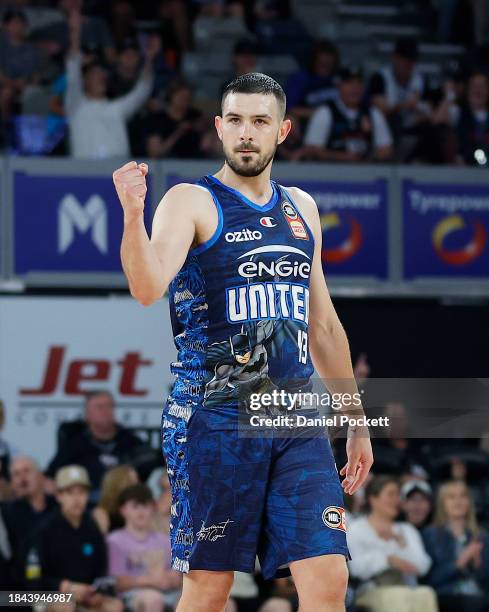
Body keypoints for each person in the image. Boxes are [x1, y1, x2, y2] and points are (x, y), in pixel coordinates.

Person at [113, 71, 373, 611]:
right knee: (210, 589)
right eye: (235, 121)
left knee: (328, 579)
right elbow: (145, 287)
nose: (246, 133)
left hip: (293, 416)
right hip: (215, 418)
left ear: (283, 131)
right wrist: (134, 216)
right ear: (218, 128)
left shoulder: (301, 207)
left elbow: (322, 326)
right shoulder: (190, 200)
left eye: (260, 121)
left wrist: (356, 422)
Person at [64, 5, 157, 158]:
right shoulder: (76, 105)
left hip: (117, 177)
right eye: (95, 74)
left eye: (103, 74)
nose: (101, 77)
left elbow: (142, 90)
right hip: (82, 177)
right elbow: (73, 71)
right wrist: (75, 34)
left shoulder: (116, 108)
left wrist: (150, 58)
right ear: (85, 81)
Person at [38, 465, 122, 612]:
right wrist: (64, 587)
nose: (77, 499)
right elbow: (31, 578)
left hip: (85, 594)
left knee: (114, 606)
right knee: (66, 605)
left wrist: (97, 593)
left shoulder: (92, 528)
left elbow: (101, 571)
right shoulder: (44, 529)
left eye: (82, 492)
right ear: (58, 496)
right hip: (42, 595)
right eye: (70, 493)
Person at [348, 475, 437, 612]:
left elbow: (422, 566)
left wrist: (400, 542)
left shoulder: (406, 530)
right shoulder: (357, 529)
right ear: (373, 499)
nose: (397, 500)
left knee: (426, 593)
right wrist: (388, 559)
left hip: (406, 588)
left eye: (398, 495)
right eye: (391, 494)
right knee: (397, 597)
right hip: (370, 590)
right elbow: (356, 567)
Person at [45, 391, 145, 502]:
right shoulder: (74, 442)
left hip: (123, 502)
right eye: (99, 407)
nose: (105, 411)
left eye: (109, 406)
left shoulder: (129, 440)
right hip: (84, 501)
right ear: (87, 414)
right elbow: (52, 474)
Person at [107, 483, 182, 611]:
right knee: (153, 599)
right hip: (134, 594)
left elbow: (177, 576)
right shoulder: (115, 540)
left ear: (152, 508)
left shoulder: (164, 540)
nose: (141, 511)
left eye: (145, 506)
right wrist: (149, 581)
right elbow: (116, 582)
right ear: (123, 510)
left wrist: (172, 578)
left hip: (168, 592)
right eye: (135, 506)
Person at [297, 66, 393, 162]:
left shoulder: (373, 113)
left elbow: (386, 150)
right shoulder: (325, 112)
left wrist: (366, 157)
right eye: (349, 83)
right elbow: (311, 149)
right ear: (339, 86)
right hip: (329, 172)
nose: (354, 88)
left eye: (358, 83)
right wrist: (343, 157)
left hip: (364, 172)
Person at [423, 480, 489, 612]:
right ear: (443, 503)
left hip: (478, 597)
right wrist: (458, 564)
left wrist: (477, 566)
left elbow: (486, 583)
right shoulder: (431, 534)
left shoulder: (482, 536)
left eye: (463, 496)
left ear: (469, 502)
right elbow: (429, 580)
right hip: (445, 596)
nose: (458, 502)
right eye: (452, 497)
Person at [92, 465, 139, 534]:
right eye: (132, 481)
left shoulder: (140, 507)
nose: (138, 485)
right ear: (120, 485)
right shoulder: (102, 513)